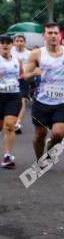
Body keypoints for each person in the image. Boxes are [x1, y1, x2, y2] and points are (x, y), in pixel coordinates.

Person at [23, 23, 64, 162]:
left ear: (60, 35)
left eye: (56, 33)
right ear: (44, 35)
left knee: (59, 133)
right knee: (40, 134)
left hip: (62, 101)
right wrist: (34, 73)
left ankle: (51, 146)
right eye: (50, 33)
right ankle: (39, 160)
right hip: (41, 100)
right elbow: (25, 75)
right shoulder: (37, 54)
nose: (53, 36)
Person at [0, 35, 22, 168]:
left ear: (11, 45)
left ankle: (7, 155)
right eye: (2, 43)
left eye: (8, 42)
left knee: (9, 125)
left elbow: (22, 75)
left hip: (13, 96)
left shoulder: (17, 60)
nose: (5, 45)